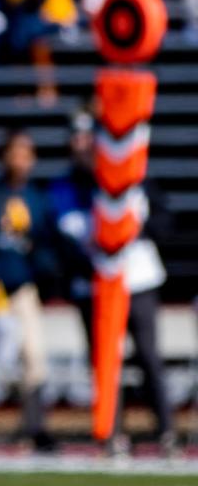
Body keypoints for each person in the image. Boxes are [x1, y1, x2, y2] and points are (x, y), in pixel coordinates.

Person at [48, 109, 177, 455]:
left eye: (89, 138)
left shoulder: (132, 178)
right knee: (105, 360)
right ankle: (111, 430)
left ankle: (165, 430)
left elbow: (164, 224)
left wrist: (130, 228)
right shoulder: (63, 189)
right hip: (93, 284)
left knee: (149, 356)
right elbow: (62, 243)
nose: (84, 146)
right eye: (77, 139)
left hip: (137, 279)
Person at [0, 128, 54, 450]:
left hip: (22, 288)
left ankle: (33, 426)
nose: (20, 160)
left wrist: (42, 270)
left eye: (26, 154)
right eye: (15, 152)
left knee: (34, 356)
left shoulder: (37, 197)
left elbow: (45, 244)